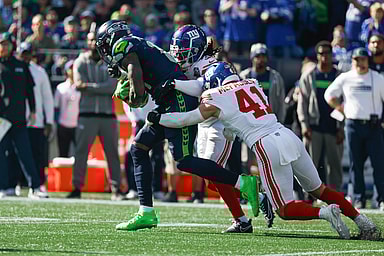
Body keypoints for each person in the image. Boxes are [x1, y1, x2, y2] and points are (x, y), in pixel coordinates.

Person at [148, 61, 382, 241]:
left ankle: (325, 214)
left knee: (285, 209)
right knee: (319, 189)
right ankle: (364, 222)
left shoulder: (215, 96)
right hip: (287, 134)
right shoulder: (253, 84)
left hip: (267, 144)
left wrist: (159, 118)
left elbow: (188, 119)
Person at [96, 20, 259, 231]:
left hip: (178, 102)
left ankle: (243, 183)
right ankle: (146, 212)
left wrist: (128, 94)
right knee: (139, 147)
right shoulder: (136, 45)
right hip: (171, 101)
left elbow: (140, 98)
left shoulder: (124, 47)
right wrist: (124, 77)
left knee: (183, 161)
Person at [167, 24, 274, 230]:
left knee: (213, 174)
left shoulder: (219, 67)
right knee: (210, 180)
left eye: (183, 50)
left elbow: (229, 95)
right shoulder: (190, 67)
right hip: (203, 123)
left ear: (195, 48)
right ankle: (243, 219)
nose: (179, 55)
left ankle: (254, 202)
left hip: (220, 123)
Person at [324, 47, 384, 211]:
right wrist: (341, 109)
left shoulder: (377, 78)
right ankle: (358, 198)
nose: (360, 63)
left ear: (368, 60)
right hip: (353, 125)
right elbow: (329, 95)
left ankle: (380, 199)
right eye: (357, 60)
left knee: (378, 164)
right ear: (352, 61)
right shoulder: (345, 78)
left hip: (373, 125)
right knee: (355, 164)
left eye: (363, 59)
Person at [66, 31, 123, 201]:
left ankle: (116, 189)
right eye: (90, 40)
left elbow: (111, 87)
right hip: (86, 115)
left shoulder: (110, 61)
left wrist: (89, 87)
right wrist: (100, 87)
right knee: (81, 152)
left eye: (95, 40)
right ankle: (76, 187)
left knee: (112, 153)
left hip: (107, 115)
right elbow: (78, 84)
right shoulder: (80, 61)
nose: (92, 43)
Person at [0, 32, 45, 199]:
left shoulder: (21, 65)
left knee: (26, 153)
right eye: (1, 44)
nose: (4, 47)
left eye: (6, 44)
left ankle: (35, 187)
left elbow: (29, 91)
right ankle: (4, 187)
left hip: (19, 117)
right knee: (2, 154)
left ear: (12, 46)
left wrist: (33, 110)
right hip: (1, 119)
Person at [297, 41, 344, 192]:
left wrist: (342, 127)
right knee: (309, 164)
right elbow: (302, 103)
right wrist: (304, 125)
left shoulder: (339, 76)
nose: (324, 57)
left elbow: (345, 102)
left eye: (327, 53)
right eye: (321, 53)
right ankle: (308, 196)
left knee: (334, 166)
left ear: (332, 55)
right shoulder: (309, 75)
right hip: (314, 127)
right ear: (317, 56)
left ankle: (335, 196)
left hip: (334, 128)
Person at [18, 41, 54, 194]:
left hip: (36, 121)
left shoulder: (39, 72)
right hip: (17, 120)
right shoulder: (14, 70)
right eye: (23, 53)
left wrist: (49, 120)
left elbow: (47, 98)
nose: (25, 57)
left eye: (28, 53)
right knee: (17, 154)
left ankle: (38, 184)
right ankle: (18, 183)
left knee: (37, 155)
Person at [54, 60, 81, 157]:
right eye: (70, 68)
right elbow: (56, 107)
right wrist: (57, 123)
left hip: (78, 126)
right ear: (66, 71)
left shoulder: (81, 87)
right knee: (63, 153)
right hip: (63, 125)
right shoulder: (60, 88)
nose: (73, 71)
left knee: (80, 154)